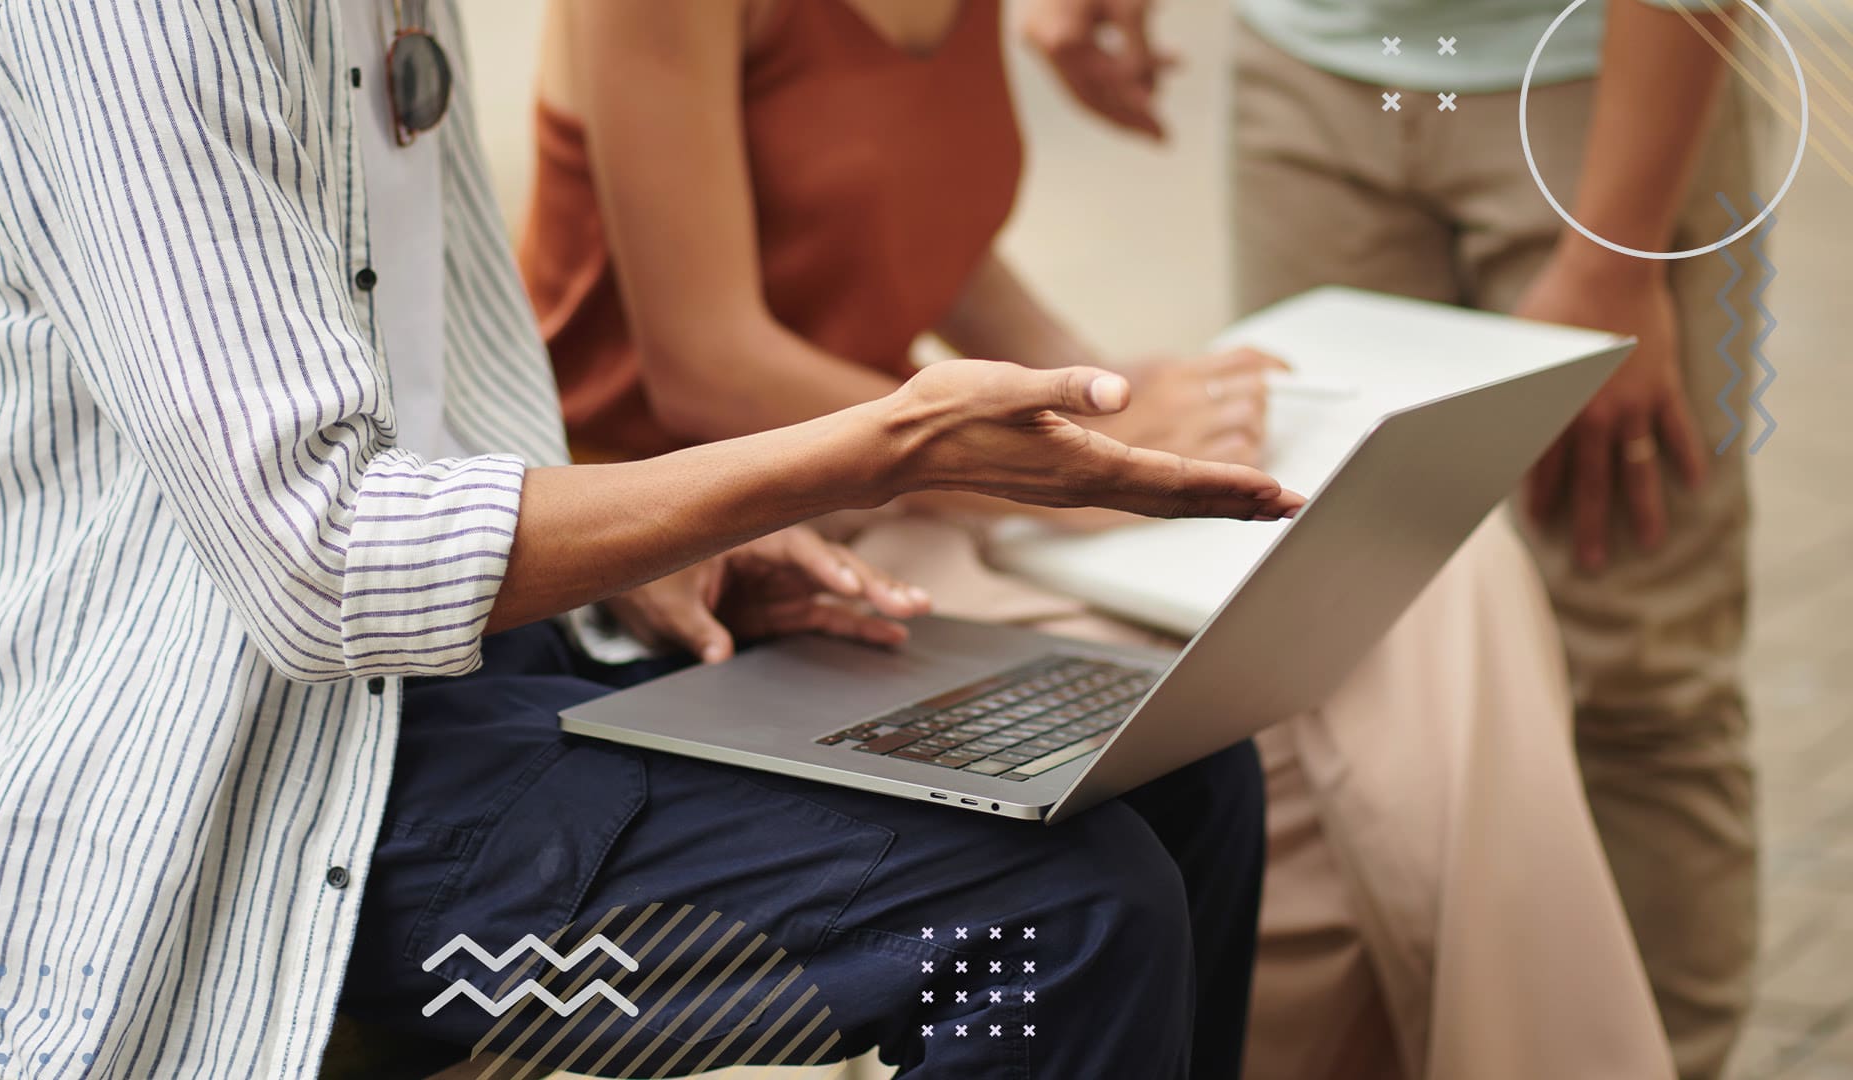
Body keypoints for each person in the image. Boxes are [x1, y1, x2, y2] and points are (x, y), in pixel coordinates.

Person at [0, 1, 1319, 1077]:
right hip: (213, 782)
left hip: (442, 676)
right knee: (1068, 911)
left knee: (1187, 771)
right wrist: (874, 453)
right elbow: (322, 557)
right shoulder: (128, 25)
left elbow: (447, 407)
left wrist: (643, 547)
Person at [519, 1, 1677, 1077]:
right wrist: (1057, 462)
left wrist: (1108, 389)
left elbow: (910, 219)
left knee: (1425, 574)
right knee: (1307, 759)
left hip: (928, 483)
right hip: (722, 539)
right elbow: (705, 369)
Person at [1023, 0, 1758, 1076]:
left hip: (1593, 81)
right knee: (1320, 646)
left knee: (1638, 668)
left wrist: (1614, 255)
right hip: (1309, 72)